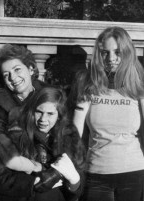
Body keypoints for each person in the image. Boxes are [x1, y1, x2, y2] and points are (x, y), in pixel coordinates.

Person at [0, 44, 64, 201]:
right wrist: (36, 168)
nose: (13, 77)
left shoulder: (52, 97)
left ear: (31, 69)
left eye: (17, 69)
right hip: (13, 188)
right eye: (6, 74)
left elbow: (68, 142)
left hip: (52, 187)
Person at [72, 26, 144, 201]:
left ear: (127, 52)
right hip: (96, 172)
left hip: (134, 172)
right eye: (105, 53)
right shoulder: (88, 84)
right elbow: (76, 129)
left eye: (117, 52)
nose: (111, 59)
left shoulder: (138, 86)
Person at [7, 86, 86, 201]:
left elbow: (76, 191)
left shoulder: (69, 137)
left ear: (59, 115)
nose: (43, 119)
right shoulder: (16, 134)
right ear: (31, 111)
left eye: (50, 114)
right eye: (39, 112)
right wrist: (33, 182)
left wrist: (74, 180)